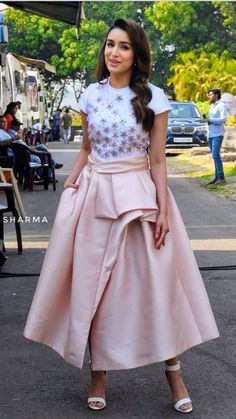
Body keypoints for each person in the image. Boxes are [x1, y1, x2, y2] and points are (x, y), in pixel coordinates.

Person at [24, 19, 219, 414]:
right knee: (96, 286)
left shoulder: (154, 98)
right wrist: (71, 187)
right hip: (94, 195)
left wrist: (163, 210)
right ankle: (98, 375)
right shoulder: (90, 96)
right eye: (110, 45)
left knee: (156, 286)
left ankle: (174, 373)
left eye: (124, 47)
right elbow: (85, 149)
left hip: (139, 198)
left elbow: (159, 160)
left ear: (137, 54)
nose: (114, 52)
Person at [206, 88, 228, 185]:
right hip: (211, 134)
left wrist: (211, 120)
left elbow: (223, 119)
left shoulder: (222, 105)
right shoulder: (211, 106)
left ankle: (221, 177)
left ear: (216, 95)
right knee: (214, 156)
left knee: (216, 154)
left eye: (210, 94)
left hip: (218, 134)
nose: (209, 96)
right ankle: (216, 177)